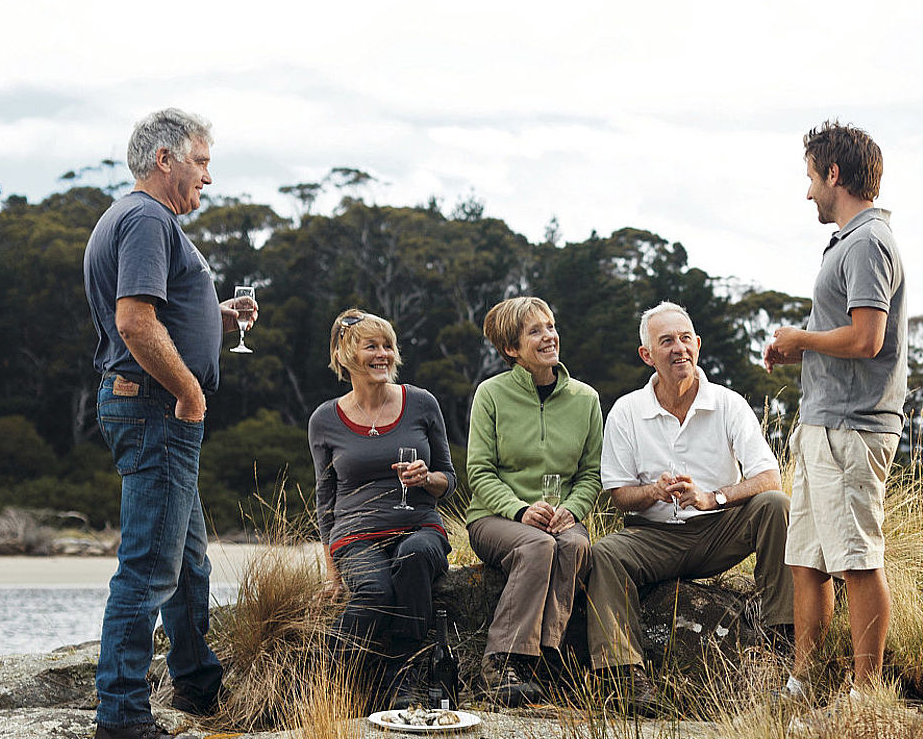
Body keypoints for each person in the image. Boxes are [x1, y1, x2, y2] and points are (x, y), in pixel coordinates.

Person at [83, 108, 256, 739]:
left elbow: (160, 310)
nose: (208, 177)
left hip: (150, 409)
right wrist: (189, 391)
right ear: (165, 160)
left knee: (187, 562)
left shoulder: (132, 219)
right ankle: (123, 721)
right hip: (157, 409)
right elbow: (134, 322)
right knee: (150, 569)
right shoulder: (149, 219)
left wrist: (215, 314)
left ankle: (198, 684)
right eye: (201, 162)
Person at [585, 303, 791, 716]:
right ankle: (625, 675)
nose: (679, 349)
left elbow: (769, 477)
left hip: (719, 528)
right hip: (654, 537)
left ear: (697, 345)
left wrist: (712, 497)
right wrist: (652, 492)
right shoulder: (626, 411)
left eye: (685, 339)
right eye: (666, 342)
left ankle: (781, 639)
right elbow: (618, 494)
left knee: (774, 505)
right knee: (604, 553)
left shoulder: (729, 403)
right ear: (647, 355)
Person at [764, 120, 907, 699]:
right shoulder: (850, 241)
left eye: (809, 178)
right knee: (808, 559)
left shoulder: (870, 241)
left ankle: (863, 695)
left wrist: (801, 339)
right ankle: (802, 682)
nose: (807, 193)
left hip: (854, 426)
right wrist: (801, 349)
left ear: (834, 174)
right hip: (824, 424)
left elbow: (867, 338)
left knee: (856, 560)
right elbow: (847, 337)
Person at [308, 309, 454, 711]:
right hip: (355, 535)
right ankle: (323, 676)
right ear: (345, 356)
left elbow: (449, 479)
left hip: (419, 525)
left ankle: (403, 676)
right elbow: (325, 501)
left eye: (388, 345)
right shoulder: (324, 419)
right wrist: (332, 573)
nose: (383, 354)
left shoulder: (421, 403)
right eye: (371, 346)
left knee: (415, 556)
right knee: (375, 590)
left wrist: (426, 479)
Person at [464, 296, 603, 705]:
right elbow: (479, 471)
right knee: (538, 544)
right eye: (535, 331)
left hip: (562, 515)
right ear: (512, 348)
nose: (550, 336)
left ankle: (545, 653)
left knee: (577, 545)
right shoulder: (490, 394)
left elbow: (591, 473)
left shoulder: (586, 399)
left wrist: (573, 510)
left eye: (551, 326)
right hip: (494, 519)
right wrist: (520, 510)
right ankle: (502, 659)